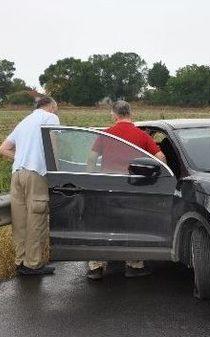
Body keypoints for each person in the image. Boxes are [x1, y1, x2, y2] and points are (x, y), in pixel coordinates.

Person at [85, 100, 167, 280]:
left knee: (102, 225)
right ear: (131, 113)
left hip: (107, 185)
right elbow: (160, 157)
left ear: (114, 115)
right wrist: (155, 177)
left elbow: (91, 159)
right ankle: (134, 265)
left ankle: (96, 267)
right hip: (132, 185)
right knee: (132, 223)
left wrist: (92, 179)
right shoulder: (142, 136)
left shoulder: (106, 134)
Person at [0, 97, 60, 275]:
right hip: (36, 174)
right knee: (36, 219)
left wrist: (20, 157)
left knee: (20, 220)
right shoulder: (50, 118)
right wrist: (56, 173)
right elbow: (54, 147)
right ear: (50, 106)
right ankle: (33, 264)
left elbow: (3, 148)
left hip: (17, 174)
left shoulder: (24, 121)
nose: (57, 111)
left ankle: (20, 261)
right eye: (56, 107)